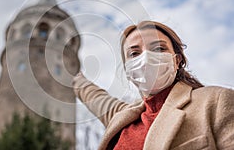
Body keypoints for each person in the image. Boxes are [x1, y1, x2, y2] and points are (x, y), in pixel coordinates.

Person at [72, 21, 234, 150]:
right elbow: (94, 96)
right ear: (128, 69)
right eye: (134, 53)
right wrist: (69, 72)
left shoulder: (215, 100)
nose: (146, 57)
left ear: (177, 61)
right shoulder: (122, 116)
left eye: (158, 48)